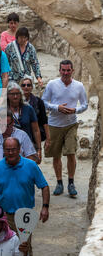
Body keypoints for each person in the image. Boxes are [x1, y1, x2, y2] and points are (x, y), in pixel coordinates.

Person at [42, 59, 88, 197]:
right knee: (56, 155)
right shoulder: (52, 84)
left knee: (71, 153)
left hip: (71, 124)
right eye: (63, 70)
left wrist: (75, 110)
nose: (66, 73)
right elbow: (43, 102)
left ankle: (71, 183)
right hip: (54, 124)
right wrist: (57, 108)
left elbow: (85, 105)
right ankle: (59, 182)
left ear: (72, 71)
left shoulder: (79, 86)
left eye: (68, 70)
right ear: (59, 70)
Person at [0, 109, 37, 175]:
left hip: (16, 174)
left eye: (7, 125)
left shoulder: (22, 135)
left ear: (13, 122)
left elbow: (30, 157)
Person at [7, 82, 42, 163]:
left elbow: (36, 130)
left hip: (27, 146)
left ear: (21, 94)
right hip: (9, 149)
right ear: (8, 95)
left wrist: (39, 149)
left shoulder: (28, 109)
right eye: (12, 94)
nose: (15, 96)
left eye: (17, 94)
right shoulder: (2, 111)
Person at [20, 75, 51, 151]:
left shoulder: (38, 102)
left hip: (34, 136)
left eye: (28, 85)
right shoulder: (16, 101)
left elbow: (44, 120)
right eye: (23, 85)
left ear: (32, 87)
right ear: (20, 87)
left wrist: (48, 138)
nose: (26, 87)